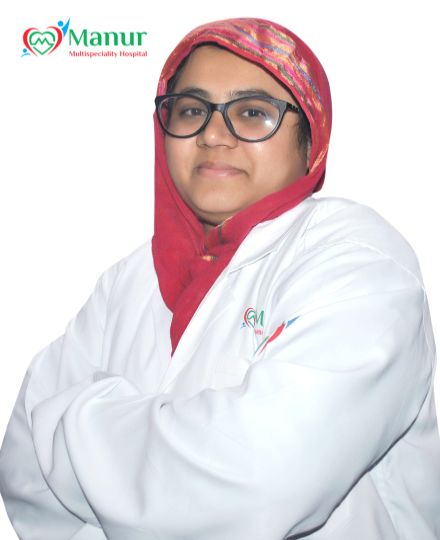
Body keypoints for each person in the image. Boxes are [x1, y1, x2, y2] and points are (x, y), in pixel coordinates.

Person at [0, 16, 439, 540]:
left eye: (252, 113)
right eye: (191, 110)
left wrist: (72, 422)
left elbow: (261, 479)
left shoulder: (356, 259)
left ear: (310, 139)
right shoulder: (128, 282)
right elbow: (21, 468)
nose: (212, 134)